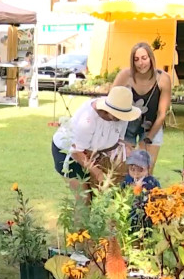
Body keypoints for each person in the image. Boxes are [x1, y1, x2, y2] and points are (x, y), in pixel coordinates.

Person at [51, 86, 141, 195]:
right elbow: (76, 152)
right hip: (69, 154)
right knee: (84, 200)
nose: (121, 118)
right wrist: (98, 174)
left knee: (97, 198)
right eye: (118, 115)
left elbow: (116, 141)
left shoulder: (123, 116)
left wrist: (130, 152)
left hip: (93, 154)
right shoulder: (88, 119)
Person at [112, 42, 172, 173]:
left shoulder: (163, 79)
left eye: (144, 58)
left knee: (145, 170)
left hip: (152, 126)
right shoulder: (125, 76)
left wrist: (149, 138)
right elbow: (110, 103)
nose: (141, 63)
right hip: (126, 127)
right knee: (121, 171)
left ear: (151, 58)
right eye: (136, 59)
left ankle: (144, 193)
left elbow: (162, 114)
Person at [121, 150, 161, 233]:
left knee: (145, 229)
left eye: (140, 170)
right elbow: (122, 192)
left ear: (148, 169)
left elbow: (159, 195)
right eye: (132, 169)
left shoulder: (151, 182)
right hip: (129, 212)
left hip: (146, 213)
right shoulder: (127, 180)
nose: (136, 173)